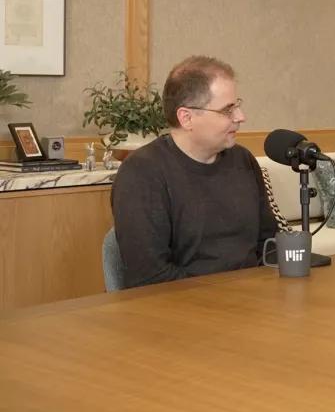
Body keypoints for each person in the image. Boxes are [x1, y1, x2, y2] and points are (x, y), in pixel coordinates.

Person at [111, 56, 276, 288]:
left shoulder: (242, 159)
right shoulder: (141, 174)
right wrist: (229, 297)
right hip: (181, 304)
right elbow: (150, 276)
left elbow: (269, 243)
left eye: (237, 105)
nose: (241, 117)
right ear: (186, 118)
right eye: (228, 110)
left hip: (252, 298)